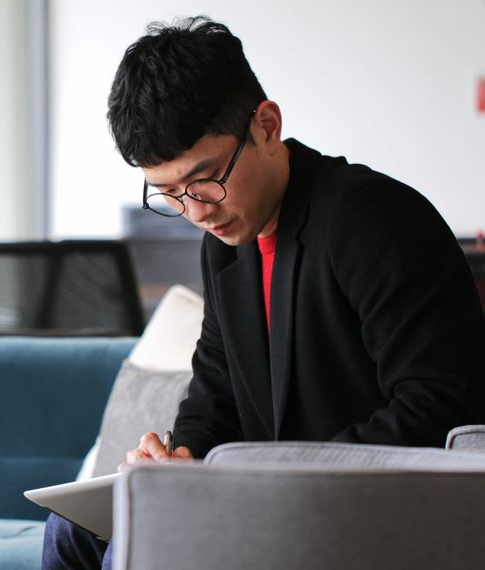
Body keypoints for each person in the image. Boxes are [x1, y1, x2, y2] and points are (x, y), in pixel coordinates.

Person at [43, 16, 485, 569]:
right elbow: (216, 392)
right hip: (272, 504)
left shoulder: (372, 219)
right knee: (73, 530)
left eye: (205, 179)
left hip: (364, 511)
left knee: (140, 550)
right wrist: (180, 458)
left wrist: (267, 474)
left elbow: (441, 406)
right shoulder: (227, 244)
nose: (196, 211)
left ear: (267, 125)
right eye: (169, 193)